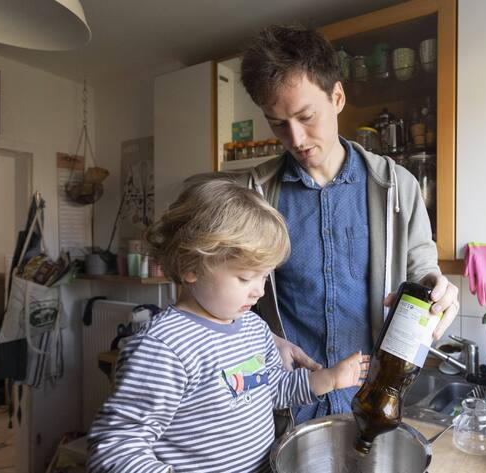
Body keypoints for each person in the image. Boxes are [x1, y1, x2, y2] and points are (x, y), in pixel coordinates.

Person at [227, 24, 461, 428]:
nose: (295, 138)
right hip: (286, 404)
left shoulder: (397, 187)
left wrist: (438, 292)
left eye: (305, 116)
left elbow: (423, 270)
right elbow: (224, 296)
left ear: (337, 97)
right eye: (278, 124)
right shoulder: (255, 193)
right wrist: (264, 338)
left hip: (371, 403)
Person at [87, 178, 364, 472]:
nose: (259, 291)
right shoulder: (164, 348)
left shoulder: (254, 329)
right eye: (246, 278)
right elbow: (115, 449)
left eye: (264, 277)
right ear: (190, 267)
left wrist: (328, 380)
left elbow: (269, 388)